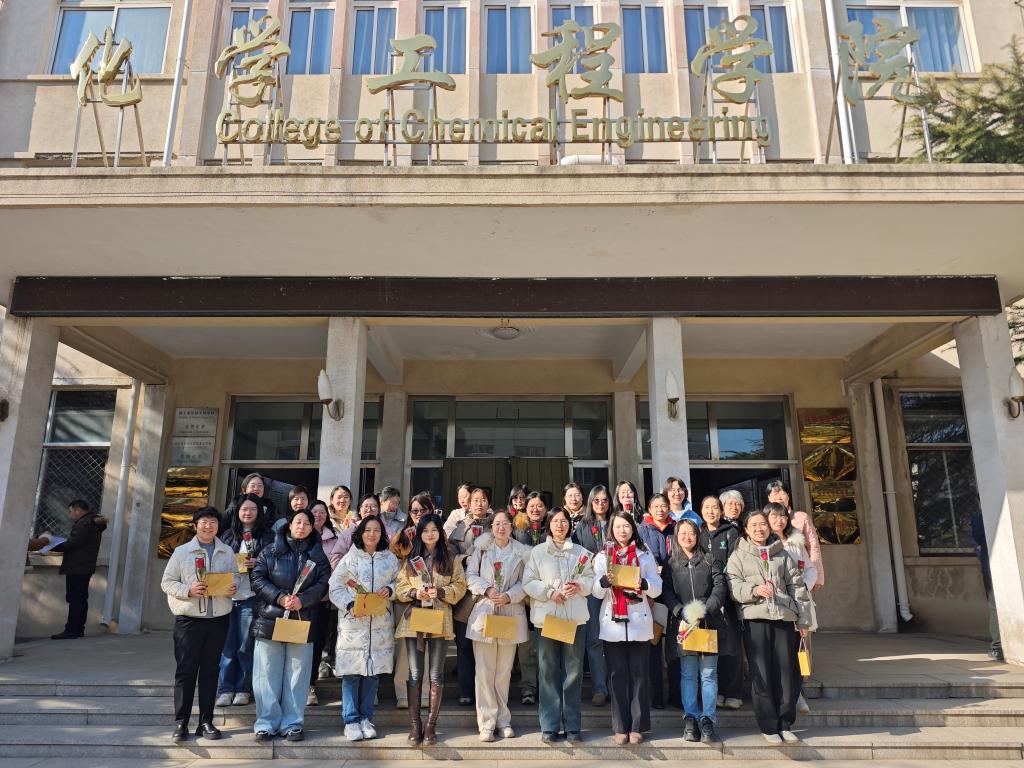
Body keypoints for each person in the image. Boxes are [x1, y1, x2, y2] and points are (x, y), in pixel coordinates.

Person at [727, 504, 811, 744]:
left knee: (787, 672)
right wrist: (754, 590)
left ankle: (785, 723)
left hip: (784, 618)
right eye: (753, 525)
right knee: (761, 674)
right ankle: (769, 726)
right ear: (745, 529)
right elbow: (733, 586)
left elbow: (797, 587)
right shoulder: (738, 555)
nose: (759, 529)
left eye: (762, 524)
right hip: (755, 621)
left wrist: (803, 620)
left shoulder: (782, 554)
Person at [250, 508, 331, 742]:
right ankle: (266, 723)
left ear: (312, 528)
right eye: (298, 522)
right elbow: (257, 578)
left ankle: (292, 724)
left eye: (307, 523)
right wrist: (279, 597)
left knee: (297, 676)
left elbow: (324, 583)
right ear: (289, 524)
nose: (302, 527)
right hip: (270, 620)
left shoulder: (317, 556)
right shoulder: (271, 550)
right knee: (266, 673)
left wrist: (303, 600)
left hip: (301, 621)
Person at [160, 506, 238, 743]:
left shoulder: (226, 551)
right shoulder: (182, 552)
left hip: (218, 619)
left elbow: (235, 576)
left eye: (213, 522)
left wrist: (232, 587)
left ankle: (206, 721)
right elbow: (167, 582)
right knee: (186, 671)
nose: (208, 526)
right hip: (189, 620)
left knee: (211, 671)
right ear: (195, 526)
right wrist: (188, 590)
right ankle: (181, 722)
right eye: (204, 521)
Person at [522, 508, 595, 745]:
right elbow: (528, 582)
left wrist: (580, 586)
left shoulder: (581, 552)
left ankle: (572, 726)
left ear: (569, 525)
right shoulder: (538, 552)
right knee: (548, 671)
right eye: (555, 521)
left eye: (564, 521)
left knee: (573, 673)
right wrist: (549, 592)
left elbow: (591, 580)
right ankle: (549, 726)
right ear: (549, 525)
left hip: (574, 620)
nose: (560, 525)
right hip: (548, 621)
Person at [394, 513, 467, 746]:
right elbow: (400, 586)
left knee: (436, 674)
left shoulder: (450, 558)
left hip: (439, 618)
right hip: (415, 619)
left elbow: (460, 586)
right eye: (425, 530)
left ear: (440, 532)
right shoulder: (411, 559)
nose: (430, 534)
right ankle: (415, 724)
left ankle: (431, 726)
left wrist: (442, 592)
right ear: (419, 533)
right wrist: (415, 592)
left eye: (434, 530)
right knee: (415, 673)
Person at [592, 511, 663, 745]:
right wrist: (604, 582)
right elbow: (595, 591)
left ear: (633, 528)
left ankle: (638, 726)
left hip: (638, 621)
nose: (622, 530)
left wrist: (644, 583)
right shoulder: (603, 556)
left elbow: (658, 587)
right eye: (618, 527)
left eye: (626, 526)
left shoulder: (644, 554)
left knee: (640, 675)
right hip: (613, 622)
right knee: (616, 675)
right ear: (611, 529)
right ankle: (620, 726)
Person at [330, 516, 400, 741]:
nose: (372, 534)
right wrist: (349, 604)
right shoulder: (350, 559)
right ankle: (351, 720)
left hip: (379, 625)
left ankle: (365, 718)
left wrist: (390, 589)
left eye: (376, 530)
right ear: (360, 533)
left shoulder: (389, 558)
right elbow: (335, 587)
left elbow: (401, 582)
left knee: (372, 675)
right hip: (354, 625)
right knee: (352, 674)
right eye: (367, 530)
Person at [661, 519, 729, 743]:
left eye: (691, 533)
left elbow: (720, 588)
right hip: (684, 626)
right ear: (676, 537)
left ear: (697, 535)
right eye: (682, 533)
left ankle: (708, 720)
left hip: (708, 623)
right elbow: (667, 593)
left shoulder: (710, 559)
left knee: (708, 674)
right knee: (688, 674)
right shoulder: (671, 563)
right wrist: (682, 612)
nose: (687, 537)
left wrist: (704, 611)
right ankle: (690, 718)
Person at [465, 510, 531, 741]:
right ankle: (486, 723)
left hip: (510, 613)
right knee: (484, 671)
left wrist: (510, 595)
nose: (501, 527)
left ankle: (503, 720)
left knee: (503, 672)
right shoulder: (482, 549)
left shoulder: (521, 552)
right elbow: (470, 575)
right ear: (491, 527)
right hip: (485, 612)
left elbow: (527, 581)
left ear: (512, 527)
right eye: (497, 524)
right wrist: (487, 589)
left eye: (505, 524)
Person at [216, 494, 273, 707]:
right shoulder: (226, 536)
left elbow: (274, 564)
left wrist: (258, 562)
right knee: (227, 647)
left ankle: (243, 688)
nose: (248, 513)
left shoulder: (267, 536)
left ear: (259, 512)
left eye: (252, 509)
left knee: (245, 646)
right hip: (227, 597)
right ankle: (225, 689)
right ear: (237, 512)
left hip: (250, 597)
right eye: (244, 509)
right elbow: (216, 564)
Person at [768, 503, 819, 714]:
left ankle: (798, 694)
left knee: (798, 651)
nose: (779, 520)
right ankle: (781, 695)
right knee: (779, 653)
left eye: (782, 516)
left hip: (799, 603)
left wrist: (802, 586)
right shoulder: (764, 543)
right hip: (777, 605)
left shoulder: (796, 542)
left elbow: (810, 569)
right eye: (773, 516)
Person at [449, 485, 494, 705]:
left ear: (489, 503)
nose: (479, 503)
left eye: (483, 499)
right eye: (475, 500)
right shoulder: (461, 526)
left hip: (490, 592)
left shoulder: (497, 525)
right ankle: (466, 690)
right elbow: (449, 552)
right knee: (464, 643)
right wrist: (463, 559)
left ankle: (487, 692)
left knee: (488, 643)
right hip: (465, 593)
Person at [697, 494, 743, 710]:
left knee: (731, 645)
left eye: (714, 507)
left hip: (728, 595)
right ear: (701, 511)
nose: (711, 511)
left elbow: (734, 561)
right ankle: (715, 692)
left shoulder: (731, 532)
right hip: (706, 596)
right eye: (706, 507)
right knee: (710, 645)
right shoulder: (698, 532)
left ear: (721, 511)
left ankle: (733, 692)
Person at [391, 492, 434, 708]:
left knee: (426, 648)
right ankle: (402, 693)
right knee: (404, 649)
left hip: (430, 598)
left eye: (422, 510)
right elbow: (394, 564)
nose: (418, 514)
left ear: (430, 511)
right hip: (406, 598)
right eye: (414, 511)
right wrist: (410, 544)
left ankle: (424, 693)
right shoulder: (402, 535)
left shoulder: (437, 532)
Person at [571, 484, 611, 707]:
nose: (600, 504)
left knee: (615, 638)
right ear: (590, 502)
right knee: (594, 639)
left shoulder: (617, 522)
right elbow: (576, 558)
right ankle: (599, 688)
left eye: (604, 500)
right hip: (593, 588)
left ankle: (616, 686)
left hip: (616, 588)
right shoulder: (582, 526)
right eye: (596, 500)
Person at [638, 492, 677, 708]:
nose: (660, 509)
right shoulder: (642, 530)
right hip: (652, 594)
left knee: (674, 645)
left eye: (664, 506)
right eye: (656, 506)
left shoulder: (676, 528)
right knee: (653, 646)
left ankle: (676, 694)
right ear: (649, 509)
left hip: (674, 593)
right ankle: (657, 696)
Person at [50, 499, 107, 640]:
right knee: (80, 598)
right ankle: (78, 629)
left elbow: (73, 543)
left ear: (78, 510)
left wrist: (50, 545)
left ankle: (71, 630)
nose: (70, 515)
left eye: (71, 512)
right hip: (83, 565)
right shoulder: (92, 522)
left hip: (77, 566)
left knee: (75, 599)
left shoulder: (84, 523)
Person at [512, 490, 548, 705]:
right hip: (523, 595)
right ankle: (528, 686)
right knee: (525, 644)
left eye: (540, 505)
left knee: (546, 644)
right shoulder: (517, 529)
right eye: (531, 505)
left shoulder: (552, 528)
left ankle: (546, 686)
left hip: (546, 595)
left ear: (546, 509)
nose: (535, 509)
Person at [307, 499, 339, 705]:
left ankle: (311, 685)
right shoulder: (299, 535)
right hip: (301, 599)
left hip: (324, 598)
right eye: (315, 512)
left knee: (318, 642)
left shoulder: (334, 539)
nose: (318, 515)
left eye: (322, 512)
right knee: (302, 644)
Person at [766, 480, 824, 592]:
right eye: (775, 494)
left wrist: (817, 577)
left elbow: (813, 546)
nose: (779, 497)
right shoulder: (764, 518)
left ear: (788, 495)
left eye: (782, 493)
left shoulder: (801, 517)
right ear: (769, 498)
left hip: (801, 573)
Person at [973, 511, 1003, 661]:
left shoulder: (980, 518)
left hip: (990, 566)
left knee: (995, 606)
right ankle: (997, 647)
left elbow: (978, 541)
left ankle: (997, 647)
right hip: (994, 566)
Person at [336, 493, 382, 558]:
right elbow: (337, 555)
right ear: (359, 510)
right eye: (366, 506)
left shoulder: (387, 531)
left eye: (373, 506)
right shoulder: (350, 532)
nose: (369, 510)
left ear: (379, 510)